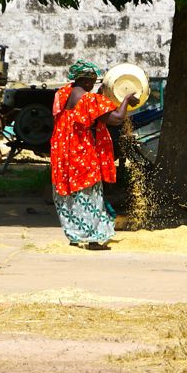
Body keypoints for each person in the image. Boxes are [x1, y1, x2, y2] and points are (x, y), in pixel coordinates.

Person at [50, 59, 138, 250]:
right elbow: (116, 119)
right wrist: (125, 101)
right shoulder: (89, 100)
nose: (94, 84)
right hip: (81, 154)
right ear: (87, 80)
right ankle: (92, 240)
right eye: (93, 81)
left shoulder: (64, 94)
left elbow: (82, 115)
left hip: (63, 154)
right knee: (89, 196)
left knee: (70, 196)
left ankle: (75, 237)